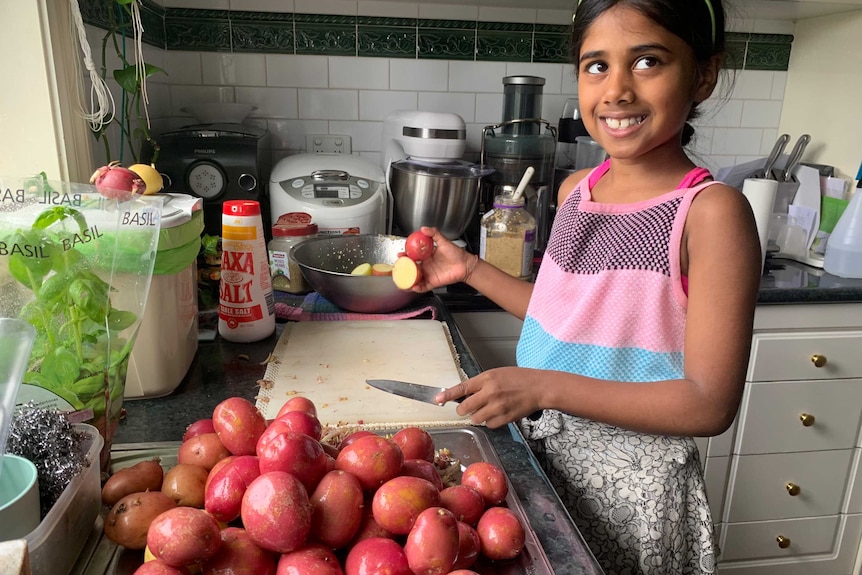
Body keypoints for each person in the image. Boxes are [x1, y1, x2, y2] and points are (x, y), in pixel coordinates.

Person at [409, 1, 762, 573]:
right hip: (544, 461)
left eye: (647, 61)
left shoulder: (710, 213)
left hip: (635, 495)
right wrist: (470, 269)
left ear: (703, 74)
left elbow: (708, 402)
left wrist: (543, 387)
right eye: (596, 65)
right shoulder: (577, 189)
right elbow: (559, 314)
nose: (616, 90)